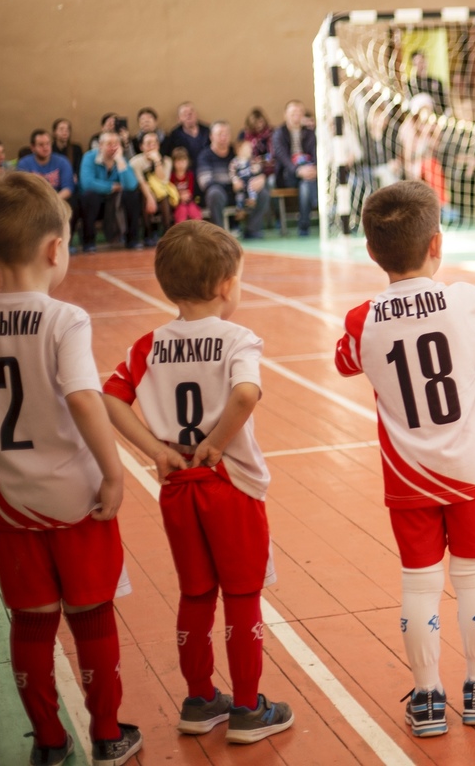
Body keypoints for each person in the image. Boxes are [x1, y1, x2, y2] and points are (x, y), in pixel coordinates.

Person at [101, 222, 294, 743]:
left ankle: (200, 698)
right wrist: (216, 441)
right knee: (243, 594)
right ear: (228, 284)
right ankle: (250, 708)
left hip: (177, 484)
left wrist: (156, 450)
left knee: (194, 592)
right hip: (228, 482)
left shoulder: (149, 345)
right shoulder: (237, 338)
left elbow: (111, 398)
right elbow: (247, 394)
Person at [335, 181, 475, 737]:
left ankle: (430, 698)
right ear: (437, 243)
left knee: (419, 585)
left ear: (371, 251)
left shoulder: (363, 319)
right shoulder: (462, 299)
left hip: (410, 479)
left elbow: (345, 363)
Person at [0, 172, 140, 766]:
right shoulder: (64, 319)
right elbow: (84, 397)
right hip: (77, 497)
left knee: (30, 624)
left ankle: (51, 745)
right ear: (56, 250)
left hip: (10, 501)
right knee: (91, 614)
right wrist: (113, 471)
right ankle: (106, 733)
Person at [199, 121, 270, 238]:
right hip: (221, 193)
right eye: (220, 134)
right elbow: (205, 182)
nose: (223, 137)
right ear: (211, 137)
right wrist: (232, 184)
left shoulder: (237, 152)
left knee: (263, 192)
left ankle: (252, 230)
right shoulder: (205, 156)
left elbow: (253, 168)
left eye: (226, 134)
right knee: (214, 193)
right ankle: (219, 234)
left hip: (242, 191)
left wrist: (261, 178)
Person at [79, 132, 143, 252]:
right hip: (96, 202)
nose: (113, 147)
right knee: (90, 196)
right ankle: (88, 242)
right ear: (101, 145)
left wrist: (119, 161)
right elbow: (87, 183)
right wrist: (112, 187)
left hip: (116, 202)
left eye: (116, 144)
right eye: (109, 144)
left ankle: (132, 240)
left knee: (132, 195)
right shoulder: (89, 157)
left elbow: (131, 185)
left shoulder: (122, 159)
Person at [270, 101, 317, 238]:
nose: (296, 116)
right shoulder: (278, 133)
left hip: (308, 172)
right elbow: (282, 157)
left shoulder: (310, 132)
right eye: (293, 113)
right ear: (286, 115)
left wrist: (314, 169)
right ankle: (315, 205)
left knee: (306, 186)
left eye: (299, 113)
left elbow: (316, 152)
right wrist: (298, 170)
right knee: (306, 182)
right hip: (287, 175)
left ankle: (304, 226)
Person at [128, 131, 173, 246]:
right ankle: (147, 234)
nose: (152, 146)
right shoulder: (135, 162)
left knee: (164, 197)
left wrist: (157, 161)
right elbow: (141, 182)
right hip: (143, 192)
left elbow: (163, 181)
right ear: (141, 146)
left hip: (161, 191)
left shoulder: (167, 161)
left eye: (155, 143)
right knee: (143, 197)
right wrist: (150, 198)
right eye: (148, 143)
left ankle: (167, 234)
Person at [18, 128, 75, 201]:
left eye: (48, 143)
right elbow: (22, 191)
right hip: (32, 203)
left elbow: (68, 189)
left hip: (57, 201)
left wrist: (51, 202)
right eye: (41, 145)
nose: (45, 148)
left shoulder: (63, 161)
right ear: (32, 148)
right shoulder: (24, 164)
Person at [167, 103, 210, 170]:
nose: (189, 115)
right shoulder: (175, 135)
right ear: (179, 119)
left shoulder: (207, 131)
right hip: (186, 172)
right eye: (185, 113)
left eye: (191, 112)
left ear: (196, 115)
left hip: (206, 168)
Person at [231, 140, 266, 215]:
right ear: (239, 150)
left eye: (250, 149)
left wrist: (258, 167)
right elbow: (232, 172)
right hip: (241, 182)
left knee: (252, 187)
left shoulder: (251, 161)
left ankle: (252, 200)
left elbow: (257, 170)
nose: (249, 151)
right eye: (247, 149)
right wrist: (235, 180)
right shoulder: (235, 162)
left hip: (250, 180)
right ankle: (239, 209)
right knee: (239, 195)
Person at [170, 147, 203, 223]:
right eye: (178, 161)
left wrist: (186, 196)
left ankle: (198, 230)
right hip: (177, 203)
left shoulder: (190, 175)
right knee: (182, 211)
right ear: (173, 163)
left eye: (183, 161)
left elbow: (190, 190)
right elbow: (171, 190)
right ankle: (182, 232)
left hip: (189, 201)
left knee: (194, 212)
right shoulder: (172, 176)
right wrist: (179, 196)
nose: (181, 164)